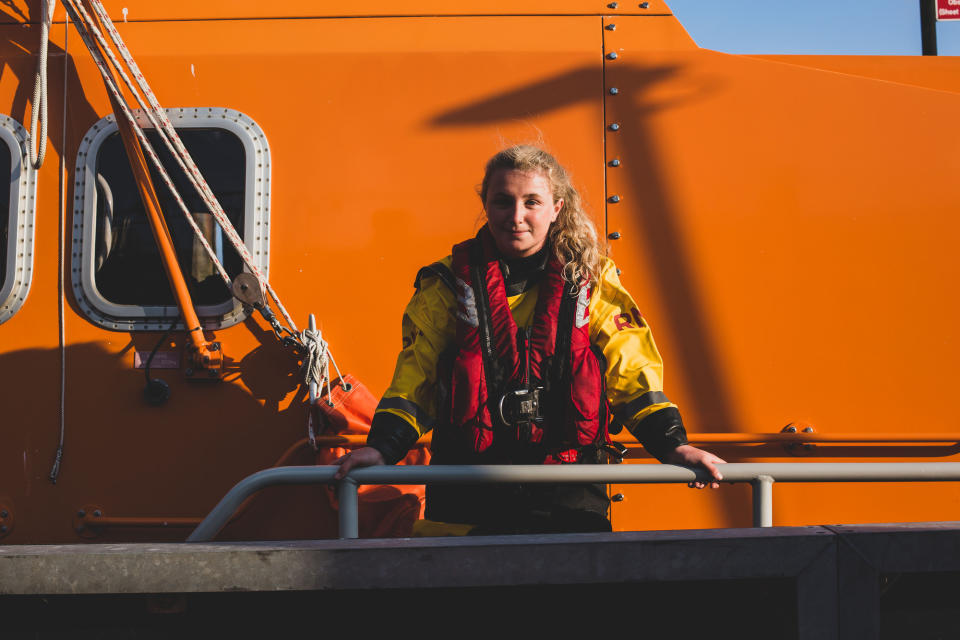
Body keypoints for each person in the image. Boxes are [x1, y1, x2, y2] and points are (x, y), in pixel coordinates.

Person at [335, 145, 724, 534]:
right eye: (503, 201)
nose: (516, 217)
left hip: (568, 494)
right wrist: (381, 447)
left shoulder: (591, 281)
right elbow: (415, 380)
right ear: (485, 204)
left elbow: (632, 371)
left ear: (556, 207)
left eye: (531, 202)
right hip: (467, 492)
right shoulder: (447, 285)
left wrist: (674, 445)